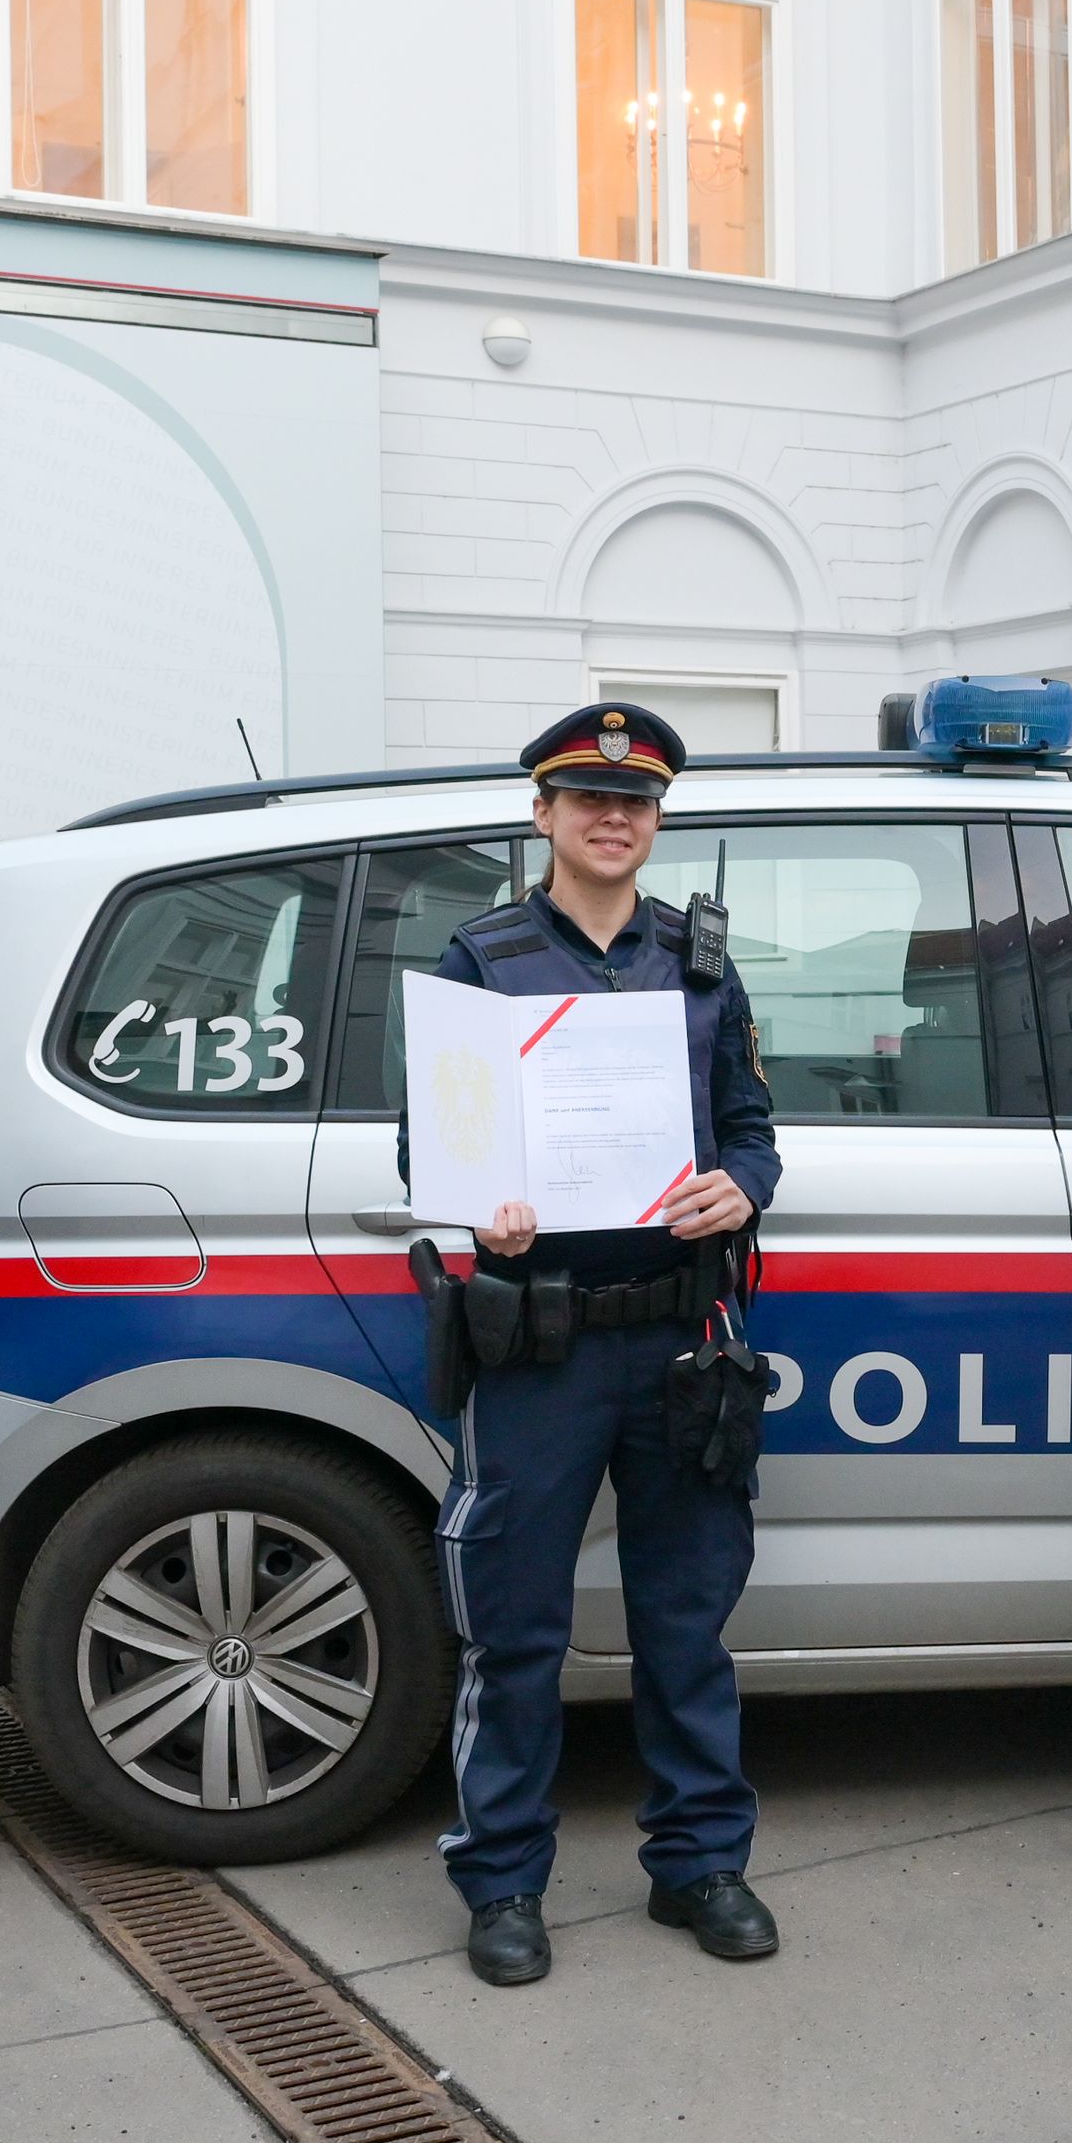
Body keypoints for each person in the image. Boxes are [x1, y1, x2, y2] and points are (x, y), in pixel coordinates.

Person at [413, 703, 783, 1988]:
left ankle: (700, 1865)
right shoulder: (482, 958)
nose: (611, 817)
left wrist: (743, 1186)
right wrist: (483, 1198)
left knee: (687, 1620)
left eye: (633, 801)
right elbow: (433, 1147)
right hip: (540, 1342)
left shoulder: (701, 961)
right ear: (544, 815)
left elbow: (751, 1126)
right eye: (585, 797)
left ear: (657, 817)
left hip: (682, 1336)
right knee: (513, 1630)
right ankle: (503, 1881)